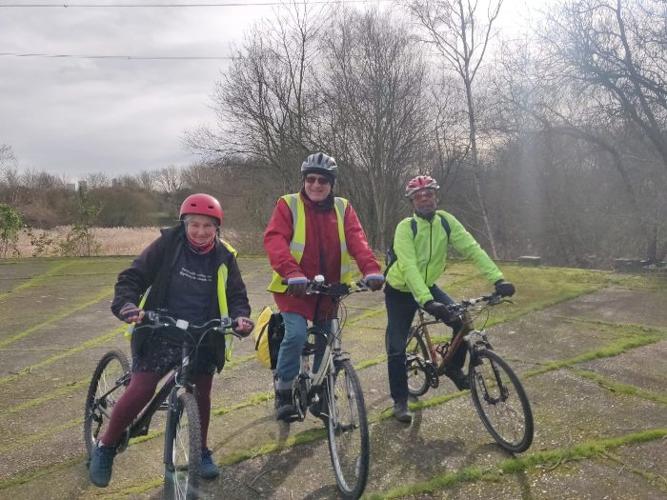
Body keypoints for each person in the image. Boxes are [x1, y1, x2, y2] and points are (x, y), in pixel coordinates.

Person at [89, 193, 254, 487]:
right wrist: (127, 305)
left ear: (217, 228)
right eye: (194, 225)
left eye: (207, 226)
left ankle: (200, 450)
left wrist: (241, 318)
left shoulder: (225, 256)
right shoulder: (168, 245)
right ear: (184, 223)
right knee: (142, 388)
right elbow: (133, 277)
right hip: (160, 328)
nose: (200, 232)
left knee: (201, 394)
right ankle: (106, 445)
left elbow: (237, 296)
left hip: (203, 332)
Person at [384, 175, 515, 423]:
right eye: (418, 196)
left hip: (427, 285)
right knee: (397, 347)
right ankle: (400, 400)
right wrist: (427, 302)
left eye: (429, 194)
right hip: (401, 290)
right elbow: (409, 266)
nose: (425, 199)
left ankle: (453, 367)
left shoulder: (446, 221)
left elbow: (472, 248)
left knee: (462, 320)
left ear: (435, 196)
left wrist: (498, 279)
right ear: (412, 201)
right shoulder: (405, 228)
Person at [264, 152, 385, 421]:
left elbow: (358, 241)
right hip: (293, 289)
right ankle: (283, 390)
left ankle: (321, 394)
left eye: (323, 181)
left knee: (327, 341)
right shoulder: (288, 204)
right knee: (295, 335)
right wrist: (292, 272)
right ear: (304, 180)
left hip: (329, 290)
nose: (316, 185)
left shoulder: (343, 208)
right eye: (311, 179)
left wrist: (372, 270)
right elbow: (275, 241)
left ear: (332, 184)